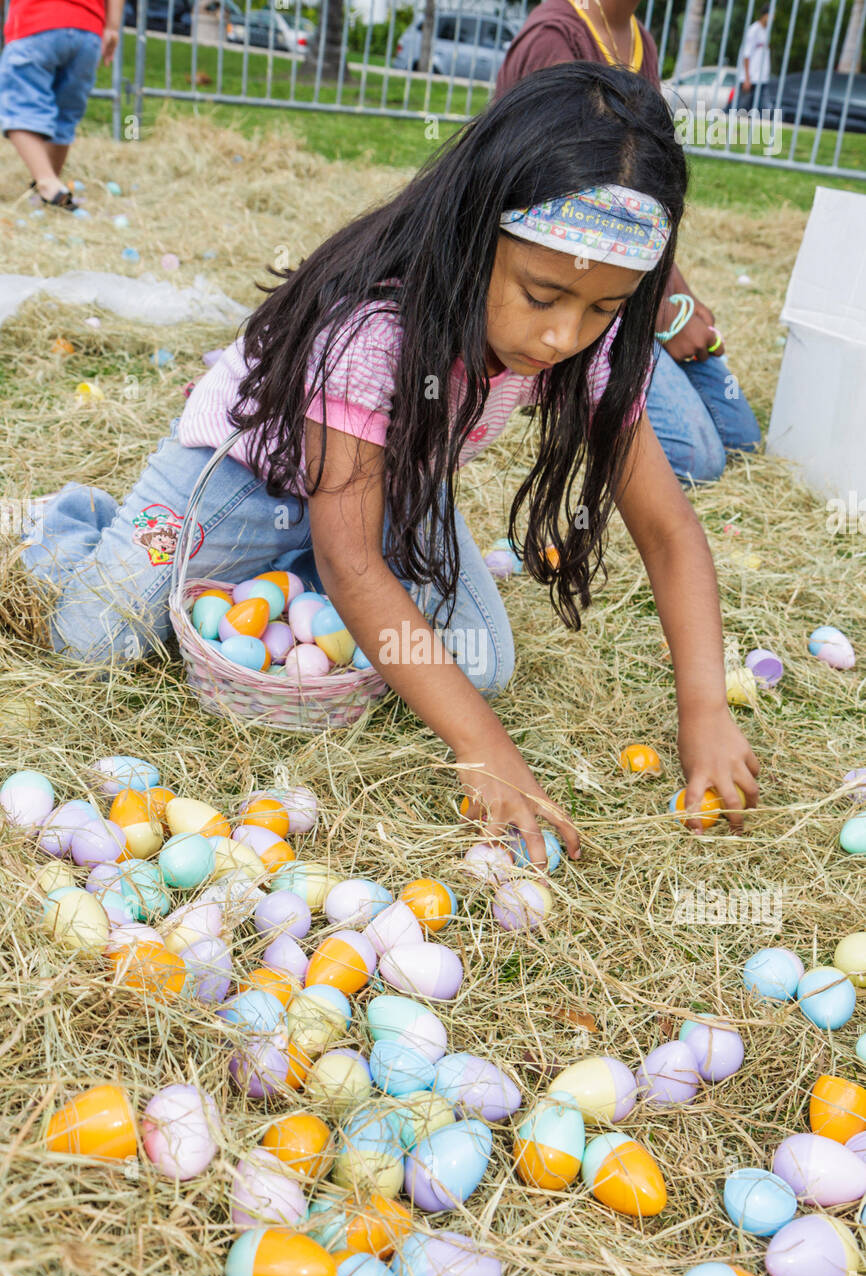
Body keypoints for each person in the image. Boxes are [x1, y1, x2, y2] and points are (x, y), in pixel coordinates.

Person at [21, 65, 760, 855]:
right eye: (542, 296)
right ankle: (93, 526)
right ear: (477, 233)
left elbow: (669, 530)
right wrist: (488, 753)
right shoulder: (377, 329)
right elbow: (353, 564)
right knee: (92, 642)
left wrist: (704, 712)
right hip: (245, 483)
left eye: (604, 307)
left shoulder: (588, 346)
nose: (562, 337)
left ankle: (283, 585)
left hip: (386, 489)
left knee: (478, 668)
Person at [496, 0, 762, 485]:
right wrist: (658, 311)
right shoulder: (553, 38)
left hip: (620, 288)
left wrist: (677, 297)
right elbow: (567, 223)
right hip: (583, 290)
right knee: (695, 460)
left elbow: (645, 198)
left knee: (741, 437)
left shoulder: (642, 38)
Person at [0, 0, 121, 209]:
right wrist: (112, 27)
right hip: (88, 32)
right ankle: (51, 188)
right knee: (65, 114)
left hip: (34, 23)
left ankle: (47, 182)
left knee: (18, 109)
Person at [739, 3, 772, 113]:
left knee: (765, 111)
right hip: (751, 79)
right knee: (739, 108)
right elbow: (746, 55)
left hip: (762, 78)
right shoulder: (754, 30)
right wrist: (747, 78)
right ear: (765, 15)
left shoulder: (765, 31)